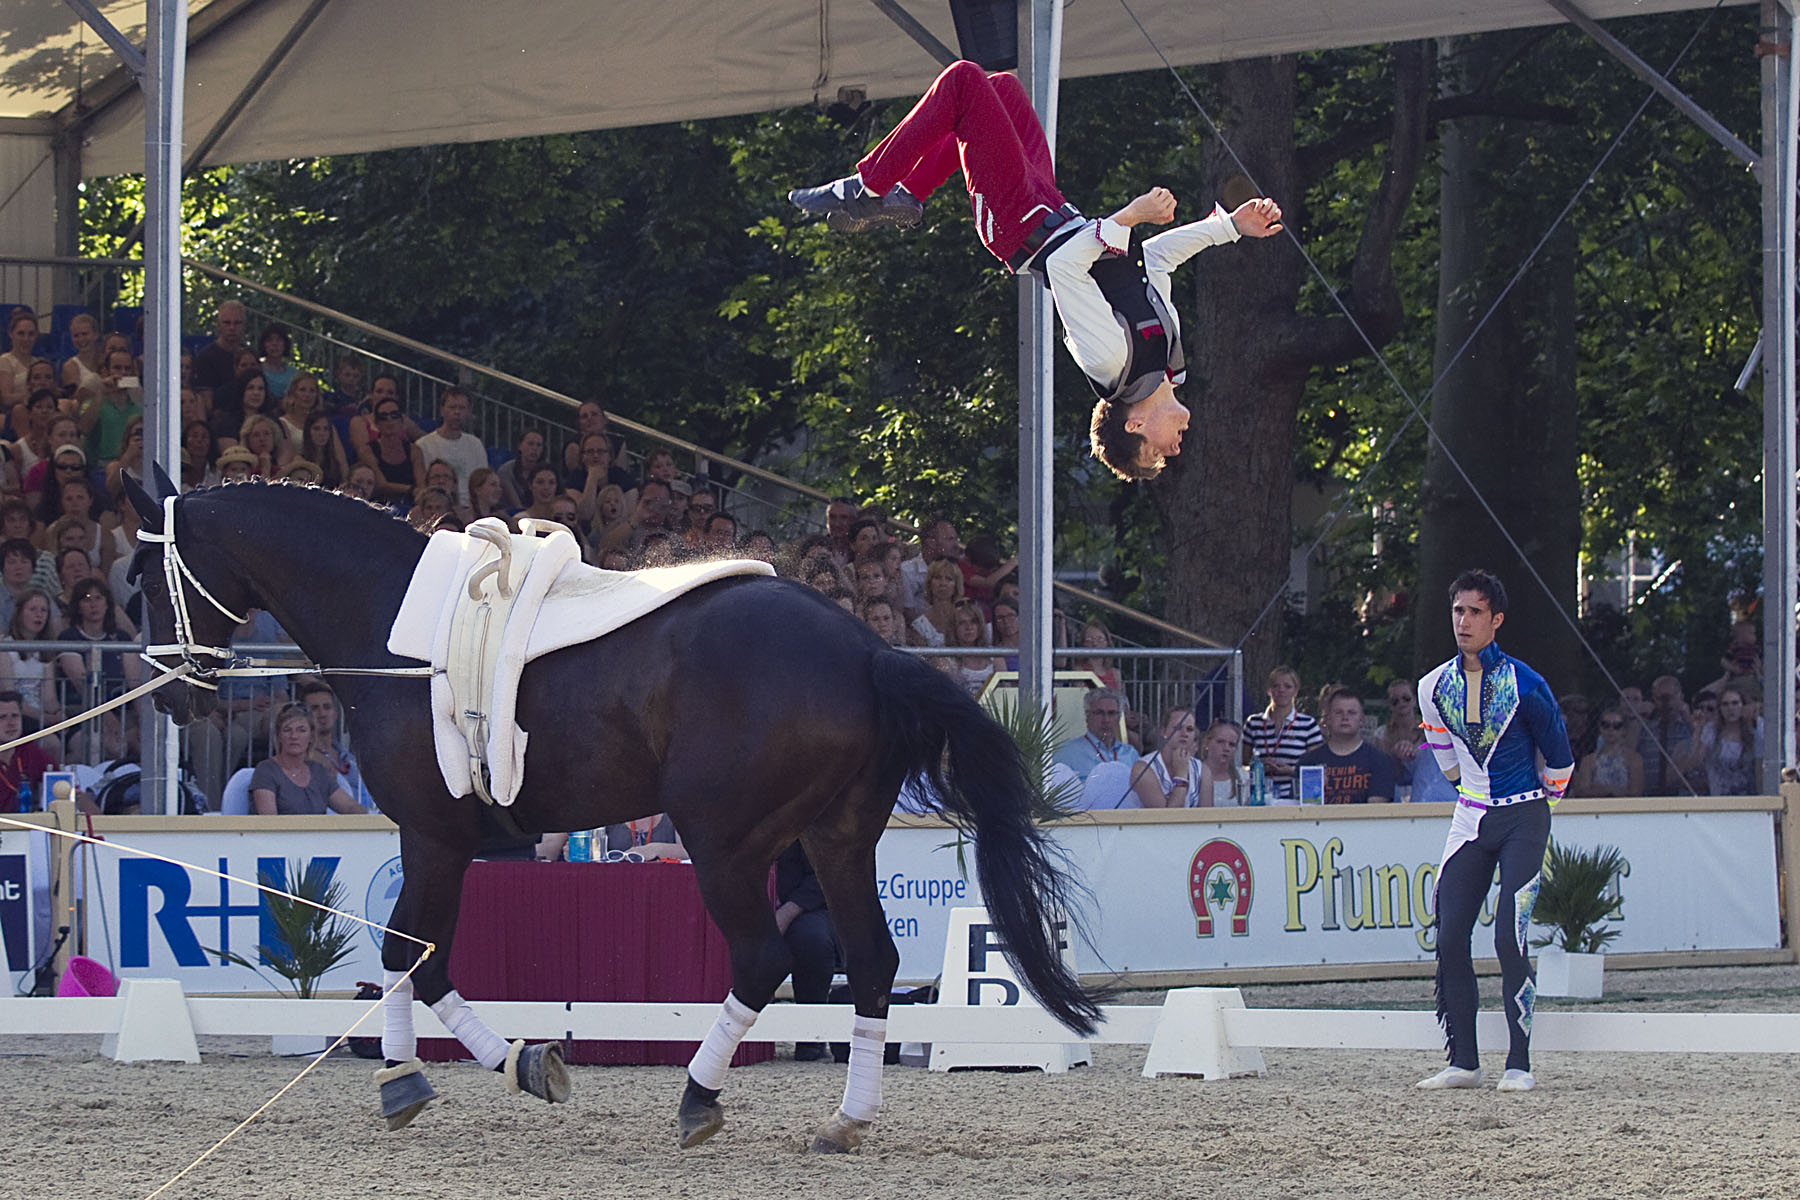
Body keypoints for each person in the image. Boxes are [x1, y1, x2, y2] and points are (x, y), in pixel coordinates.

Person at [788, 59, 1283, 481]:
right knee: (1001, 87)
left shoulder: (1111, 365)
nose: (1176, 450)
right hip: (1052, 208)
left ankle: (868, 187)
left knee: (964, 81)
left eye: (1159, 454)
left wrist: (1129, 216)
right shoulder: (1169, 358)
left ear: (1134, 426)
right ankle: (910, 195)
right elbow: (1153, 260)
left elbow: (1067, 267)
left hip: (1016, 221)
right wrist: (1230, 227)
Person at [1415, 569, 1573, 1093]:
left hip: (1524, 814)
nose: (1463, 620)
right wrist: (1474, 791)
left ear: (1496, 619)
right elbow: (1444, 755)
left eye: (1475, 611)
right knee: (1450, 933)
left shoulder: (1528, 684)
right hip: (1470, 815)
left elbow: (1561, 760)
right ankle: (1463, 1060)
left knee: (1511, 937)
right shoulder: (1432, 686)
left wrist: (1533, 802)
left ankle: (1519, 1063)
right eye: (1458, 610)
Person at [774, 840, 841, 1062]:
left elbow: (826, 871)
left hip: (808, 905)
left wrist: (788, 911)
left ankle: (811, 1034)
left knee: (811, 939)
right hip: (747, 903)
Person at [249, 702, 362, 815]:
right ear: (279, 736)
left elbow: (349, 807)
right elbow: (268, 820)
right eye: (287, 730)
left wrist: (371, 818)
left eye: (301, 730)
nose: (294, 736)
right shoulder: (266, 771)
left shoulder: (318, 771)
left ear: (311, 737)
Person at [1294, 686, 1395, 804]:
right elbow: (1302, 810)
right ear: (1328, 718)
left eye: (1352, 713)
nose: (1345, 718)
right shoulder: (1309, 762)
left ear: (1362, 719)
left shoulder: (1379, 761)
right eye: (1338, 712)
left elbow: (1376, 811)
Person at [1243, 665, 1322, 804]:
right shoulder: (1254, 722)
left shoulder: (1308, 724)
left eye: (1287, 686)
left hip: (1294, 797)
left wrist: (1292, 770)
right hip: (1260, 796)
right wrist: (1259, 766)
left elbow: (1317, 768)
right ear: (1269, 690)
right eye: (1276, 686)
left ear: (1295, 691)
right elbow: (1242, 764)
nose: (1281, 691)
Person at [298, 680, 371, 810]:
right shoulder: (302, 759)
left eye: (327, 707)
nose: (322, 714)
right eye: (314, 708)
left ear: (336, 714)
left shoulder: (350, 757)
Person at [415, 387, 488, 507]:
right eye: (452, 407)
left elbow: (482, 482)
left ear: (468, 412)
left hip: (472, 508)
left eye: (462, 408)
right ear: (442, 410)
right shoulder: (424, 445)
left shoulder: (475, 444)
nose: (457, 412)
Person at [1052, 687, 1139, 782]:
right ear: (1087, 717)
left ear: (1119, 718)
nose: (1106, 720)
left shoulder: (1130, 754)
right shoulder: (1067, 753)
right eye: (1099, 713)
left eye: (1111, 713)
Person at [1694, 687, 1762, 796]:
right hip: (1719, 798)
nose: (1730, 708)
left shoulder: (1754, 731)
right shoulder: (1711, 730)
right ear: (1719, 708)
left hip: (1748, 798)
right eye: (1725, 704)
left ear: (1743, 705)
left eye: (1735, 703)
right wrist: (1698, 730)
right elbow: (1696, 761)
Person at [360, 396, 426, 508]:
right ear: (377, 424)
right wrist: (411, 489)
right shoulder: (368, 450)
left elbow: (422, 486)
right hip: (378, 506)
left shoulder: (414, 450)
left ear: (402, 421)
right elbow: (381, 484)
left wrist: (416, 492)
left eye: (394, 415)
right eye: (383, 417)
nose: (389, 420)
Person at [1130, 706, 1201, 808]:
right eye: (1178, 728)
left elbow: (1208, 816)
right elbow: (1166, 818)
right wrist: (1181, 775)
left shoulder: (1202, 770)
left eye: (1189, 729)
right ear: (1163, 731)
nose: (1184, 733)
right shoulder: (1143, 769)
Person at [1638, 674, 1696, 796]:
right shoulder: (1646, 731)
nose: (1666, 703)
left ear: (1681, 697)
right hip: (1651, 799)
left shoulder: (1692, 729)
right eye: (1660, 698)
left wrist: (1689, 720)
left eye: (1670, 697)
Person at [1569, 706, 1644, 799]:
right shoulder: (1588, 760)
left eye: (1617, 726)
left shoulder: (1634, 759)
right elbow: (1583, 791)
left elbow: (1635, 792)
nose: (1610, 729)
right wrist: (1610, 790)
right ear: (1600, 728)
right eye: (1605, 725)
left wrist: (1599, 790)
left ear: (1624, 730)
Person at [0, 690, 56, 812]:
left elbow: (59, 782)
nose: (11, 723)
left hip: (25, 826)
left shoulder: (28, 748)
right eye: (2, 717)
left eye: (15, 716)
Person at [943, 599, 1004, 697]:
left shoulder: (996, 658)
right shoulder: (945, 660)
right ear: (953, 628)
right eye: (962, 623)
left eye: (974, 622)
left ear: (980, 625)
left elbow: (1005, 694)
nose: (969, 627)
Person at [192, 300, 249, 393]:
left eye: (237, 323)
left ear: (244, 326)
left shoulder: (249, 356)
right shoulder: (206, 358)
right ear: (218, 325)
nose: (232, 328)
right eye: (227, 323)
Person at [1194, 719, 1244, 808]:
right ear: (1206, 743)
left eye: (1231, 744)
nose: (1226, 748)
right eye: (1220, 742)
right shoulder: (1193, 775)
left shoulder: (1243, 778)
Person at [257, 323, 298, 400]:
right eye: (269, 340)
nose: (274, 344)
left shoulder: (294, 374)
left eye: (279, 340)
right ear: (263, 344)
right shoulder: (258, 370)